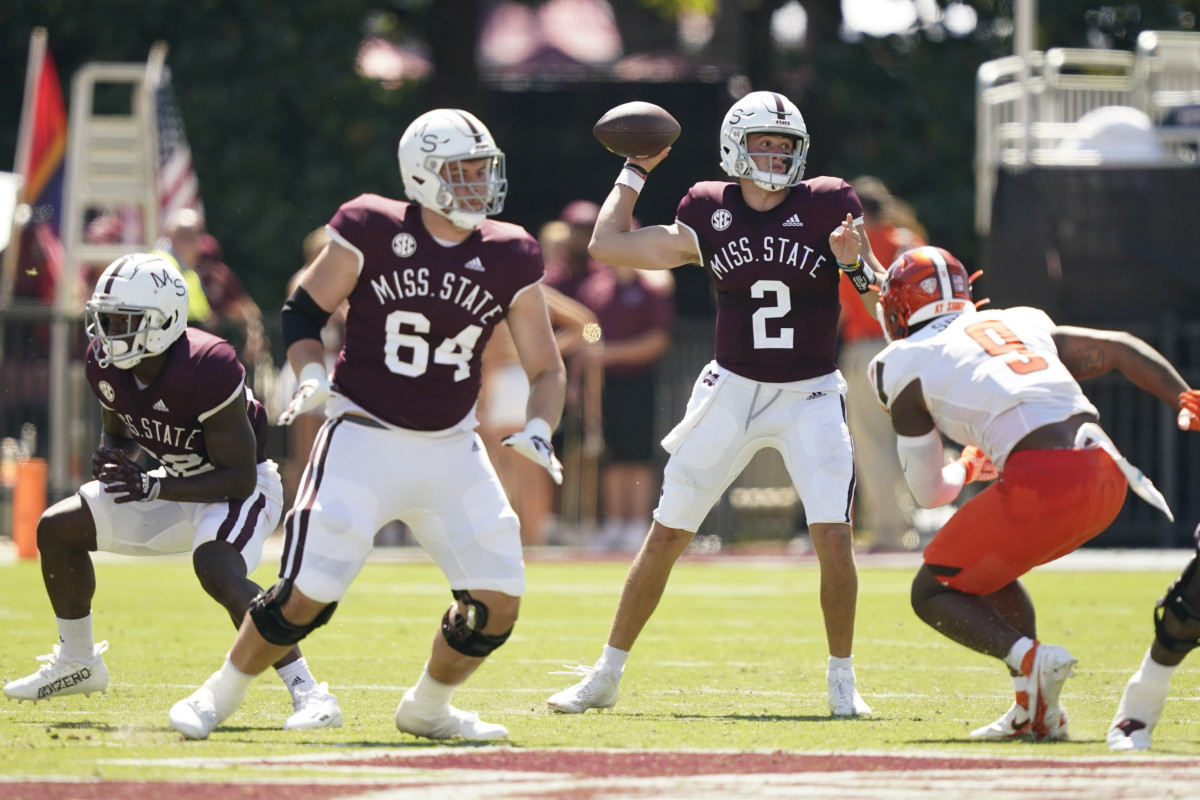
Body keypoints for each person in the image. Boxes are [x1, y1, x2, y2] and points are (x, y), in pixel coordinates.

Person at [168, 107, 567, 741]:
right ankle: (218, 695)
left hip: (453, 449)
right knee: (306, 596)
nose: (477, 185)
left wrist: (541, 426)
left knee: (496, 605)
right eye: (461, 172)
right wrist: (309, 375)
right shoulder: (371, 226)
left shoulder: (510, 252)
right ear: (422, 175)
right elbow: (301, 314)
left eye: (482, 171)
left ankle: (429, 706)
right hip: (363, 437)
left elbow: (547, 367)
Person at [546, 90, 883, 717]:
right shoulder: (707, 209)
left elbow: (880, 293)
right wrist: (635, 169)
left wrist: (854, 267)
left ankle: (843, 682)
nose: (777, 155)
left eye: (786, 145)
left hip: (810, 391)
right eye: (765, 143)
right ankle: (606, 674)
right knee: (667, 532)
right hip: (730, 387)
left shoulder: (830, 202)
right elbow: (607, 245)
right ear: (735, 146)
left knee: (834, 538)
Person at [867, 245, 1199, 741]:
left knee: (931, 589)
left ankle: (1031, 660)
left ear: (897, 311)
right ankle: (1034, 708)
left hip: (1045, 482)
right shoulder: (1019, 320)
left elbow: (929, 492)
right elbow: (1120, 348)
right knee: (982, 569)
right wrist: (1185, 397)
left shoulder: (898, 362)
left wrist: (962, 467)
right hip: (1109, 475)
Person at [2, 253, 341, 732]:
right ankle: (78, 661)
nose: (108, 334)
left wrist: (151, 482)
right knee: (58, 528)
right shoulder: (106, 362)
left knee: (218, 568)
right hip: (165, 481)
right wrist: (113, 458)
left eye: (123, 321)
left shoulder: (207, 364)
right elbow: (118, 428)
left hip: (240, 489)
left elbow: (238, 477)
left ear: (163, 322)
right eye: (105, 320)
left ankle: (309, 692)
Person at [837, 176, 925, 552]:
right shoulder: (910, 243)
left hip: (867, 350)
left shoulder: (849, 250)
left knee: (873, 444)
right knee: (916, 438)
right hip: (917, 348)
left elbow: (844, 308)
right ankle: (928, 520)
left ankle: (890, 530)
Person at [478, 280, 594, 547]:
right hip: (514, 381)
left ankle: (532, 542)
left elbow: (588, 327)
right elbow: (588, 325)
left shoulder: (518, 287)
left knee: (522, 470)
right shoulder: (517, 287)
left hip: (510, 381)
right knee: (515, 470)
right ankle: (528, 541)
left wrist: (543, 355)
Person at [576, 246, 675, 552]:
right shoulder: (596, 287)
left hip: (638, 382)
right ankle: (615, 522)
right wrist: (588, 360)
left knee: (638, 455)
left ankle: (636, 523)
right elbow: (589, 326)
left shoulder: (649, 289)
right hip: (604, 384)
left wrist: (611, 353)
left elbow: (658, 339)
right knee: (611, 454)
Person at [159, 208, 268, 367]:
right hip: (175, 355)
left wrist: (255, 340)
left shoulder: (210, 275)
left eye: (193, 236)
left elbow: (245, 311)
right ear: (170, 237)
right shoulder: (163, 267)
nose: (188, 244)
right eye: (183, 236)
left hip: (198, 356)